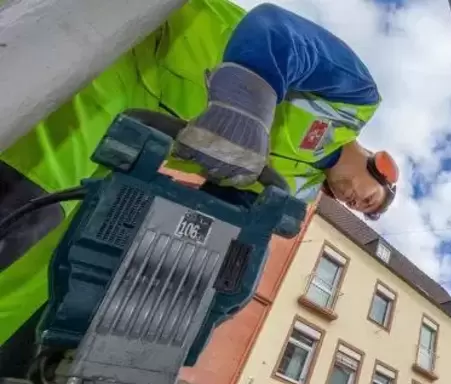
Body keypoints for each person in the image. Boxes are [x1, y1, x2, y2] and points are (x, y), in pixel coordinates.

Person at [0, 1, 399, 351]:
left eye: (359, 210)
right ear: (380, 165)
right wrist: (247, 98)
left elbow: (223, 216)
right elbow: (278, 29)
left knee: (44, 263)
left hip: (129, 132)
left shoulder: (296, 186)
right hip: (131, 46)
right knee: (31, 206)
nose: (355, 204)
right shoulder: (357, 100)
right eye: (369, 198)